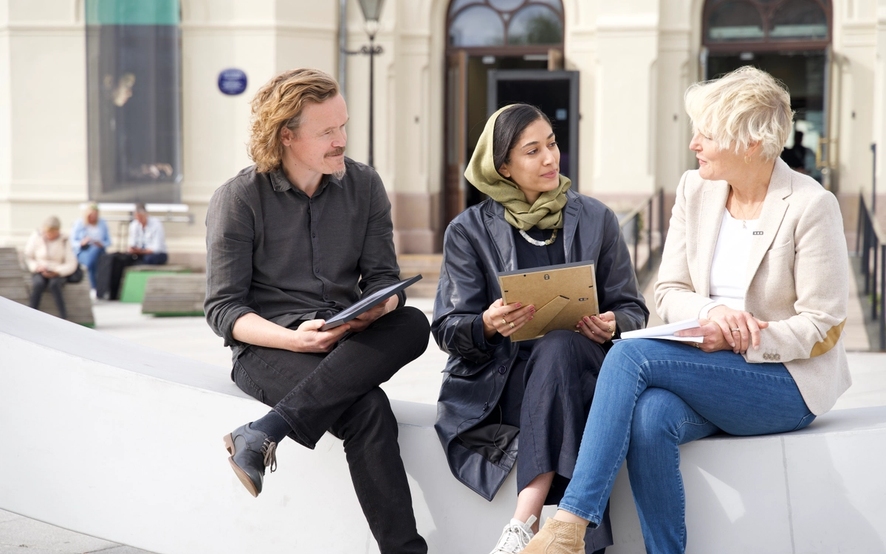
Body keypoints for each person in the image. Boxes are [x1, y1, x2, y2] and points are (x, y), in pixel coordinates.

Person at [522, 66, 850, 554]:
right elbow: (668, 290)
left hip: (783, 381)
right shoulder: (695, 190)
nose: (695, 143)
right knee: (650, 417)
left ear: (752, 143)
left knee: (629, 356)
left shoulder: (810, 205)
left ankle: (570, 525)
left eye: (708, 134)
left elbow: (824, 325)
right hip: (706, 366)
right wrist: (713, 311)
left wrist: (743, 336)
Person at [204, 68, 430, 554]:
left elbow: (385, 280)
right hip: (268, 348)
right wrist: (295, 339)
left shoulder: (364, 185)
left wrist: (379, 307)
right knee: (367, 408)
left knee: (412, 322)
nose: (341, 140)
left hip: (346, 337)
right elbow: (223, 308)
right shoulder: (239, 198)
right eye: (327, 132)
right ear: (287, 135)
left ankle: (265, 433)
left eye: (343, 126)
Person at [432, 103, 649, 554]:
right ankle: (578, 541)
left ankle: (523, 524)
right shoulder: (467, 231)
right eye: (533, 151)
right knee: (563, 375)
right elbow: (449, 327)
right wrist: (487, 325)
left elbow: (632, 308)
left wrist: (612, 323)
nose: (551, 158)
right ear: (503, 167)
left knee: (559, 346)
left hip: (585, 364)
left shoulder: (596, 218)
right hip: (504, 381)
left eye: (551, 144)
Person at [102, 203, 170, 300]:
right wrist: (133, 250)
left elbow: (157, 248)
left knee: (148, 259)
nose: (139, 220)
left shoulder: (156, 224)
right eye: (137, 218)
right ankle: (115, 291)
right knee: (123, 260)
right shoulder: (134, 225)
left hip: (157, 254)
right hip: (140, 253)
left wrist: (141, 251)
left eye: (141, 218)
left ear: (146, 215)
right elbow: (132, 244)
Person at [24, 216, 79, 320]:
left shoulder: (65, 239)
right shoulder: (36, 236)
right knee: (38, 284)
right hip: (40, 269)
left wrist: (57, 271)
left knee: (54, 284)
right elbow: (28, 256)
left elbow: (71, 262)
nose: (50, 235)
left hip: (57, 270)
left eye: (53, 232)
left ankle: (63, 316)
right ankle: (30, 314)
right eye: (48, 232)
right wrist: (36, 267)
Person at [70, 202, 111, 292]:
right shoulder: (80, 223)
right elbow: (72, 242)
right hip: (84, 250)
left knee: (95, 251)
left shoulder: (102, 223)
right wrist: (82, 242)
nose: (93, 217)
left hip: (99, 250)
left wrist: (101, 244)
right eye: (91, 215)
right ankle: (95, 288)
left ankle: (93, 287)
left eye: (95, 215)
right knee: (93, 260)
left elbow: (108, 241)